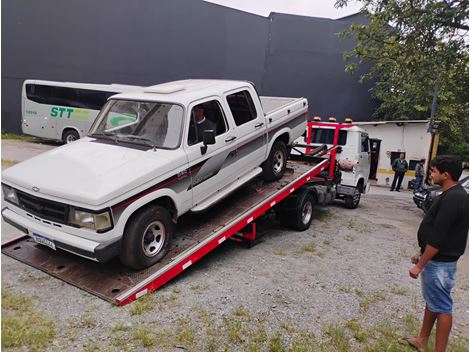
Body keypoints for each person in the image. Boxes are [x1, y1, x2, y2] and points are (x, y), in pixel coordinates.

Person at [404, 155, 469, 352]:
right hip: (437, 260)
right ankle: (422, 339)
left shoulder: (453, 198)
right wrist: (421, 253)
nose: (431, 174)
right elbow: (438, 233)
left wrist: (420, 265)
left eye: (433, 171)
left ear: (445, 174)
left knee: (442, 307)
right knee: (434, 301)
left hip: (440, 264)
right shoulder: (452, 194)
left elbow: (439, 237)